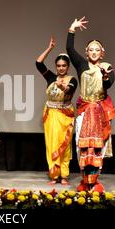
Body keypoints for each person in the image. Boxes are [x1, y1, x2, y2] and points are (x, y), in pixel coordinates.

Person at [66, 17, 115, 192]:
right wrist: (72, 29)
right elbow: (69, 49)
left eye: (97, 50)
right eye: (91, 50)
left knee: (98, 148)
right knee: (83, 145)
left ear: (102, 53)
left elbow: (109, 85)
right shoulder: (81, 65)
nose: (94, 52)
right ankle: (84, 180)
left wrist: (104, 75)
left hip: (100, 112)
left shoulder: (107, 67)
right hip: (84, 110)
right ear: (87, 53)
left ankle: (95, 181)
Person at [36, 37, 77, 185]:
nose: (61, 68)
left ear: (68, 66)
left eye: (63, 66)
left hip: (65, 116)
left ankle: (64, 175)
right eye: (58, 65)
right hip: (51, 115)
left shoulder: (72, 79)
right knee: (52, 144)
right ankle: (54, 175)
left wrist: (62, 87)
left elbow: (69, 89)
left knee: (64, 145)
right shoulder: (51, 77)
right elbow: (38, 63)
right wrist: (49, 49)